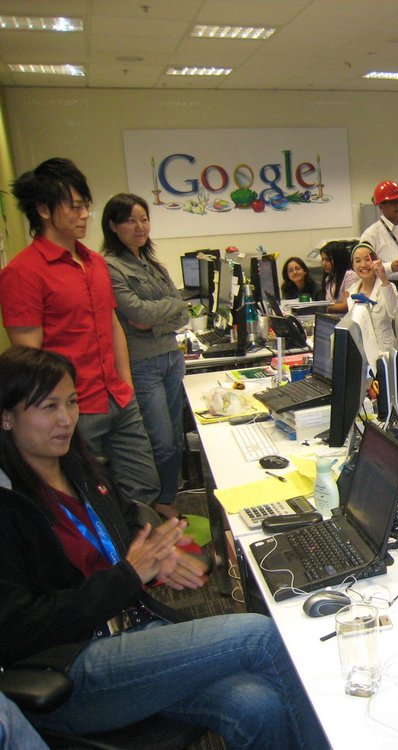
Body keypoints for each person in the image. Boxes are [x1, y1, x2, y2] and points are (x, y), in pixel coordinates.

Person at [0, 346, 327, 749]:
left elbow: (125, 519)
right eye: (48, 407)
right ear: (7, 417)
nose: (66, 419)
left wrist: (158, 553)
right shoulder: (8, 503)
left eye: (70, 403)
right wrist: (128, 576)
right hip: (72, 669)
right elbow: (16, 628)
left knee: (259, 706)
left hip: (132, 634)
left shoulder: (76, 466)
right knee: (258, 634)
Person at [0, 157, 160, 512]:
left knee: (143, 486)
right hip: (73, 411)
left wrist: (126, 383)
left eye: (86, 206)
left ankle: (149, 558)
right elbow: (31, 360)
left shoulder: (95, 262)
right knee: (89, 501)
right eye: (74, 207)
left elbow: (111, 323)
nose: (85, 214)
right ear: (43, 209)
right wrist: (61, 411)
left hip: (117, 397)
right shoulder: (23, 273)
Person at [102, 193, 188, 519]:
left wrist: (156, 320)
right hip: (143, 364)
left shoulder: (152, 265)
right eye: (130, 220)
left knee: (176, 439)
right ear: (113, 225)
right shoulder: (110, 267)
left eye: (144, 219)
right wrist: (165, 312)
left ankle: (166, 500)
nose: (139, 227)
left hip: (170, 357)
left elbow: (181, 312)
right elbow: (135, 313)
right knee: (162, 441)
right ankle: (156, 505)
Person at [345, 241, 397, 365]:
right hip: (363, 357)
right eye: (357, 261)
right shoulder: (352, 292)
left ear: (375, 261)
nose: (363, 265)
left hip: (386, 356)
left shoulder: (387, 287)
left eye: (367, 259)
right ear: (353, 266)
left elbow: (395, 313)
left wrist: (383, 277)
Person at [358, 180, 398, 289]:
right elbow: (364, 267)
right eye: (394, 203)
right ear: (381, 206)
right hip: (386, 286)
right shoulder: (371, 234)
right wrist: (390, 267)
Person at [318, 241, 354, 314]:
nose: (324, 263)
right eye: (323, 259)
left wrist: (321, 307)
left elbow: (345, 306)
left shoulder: (350, 276)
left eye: (327, 260)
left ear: (338, 260)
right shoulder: (328, 278)